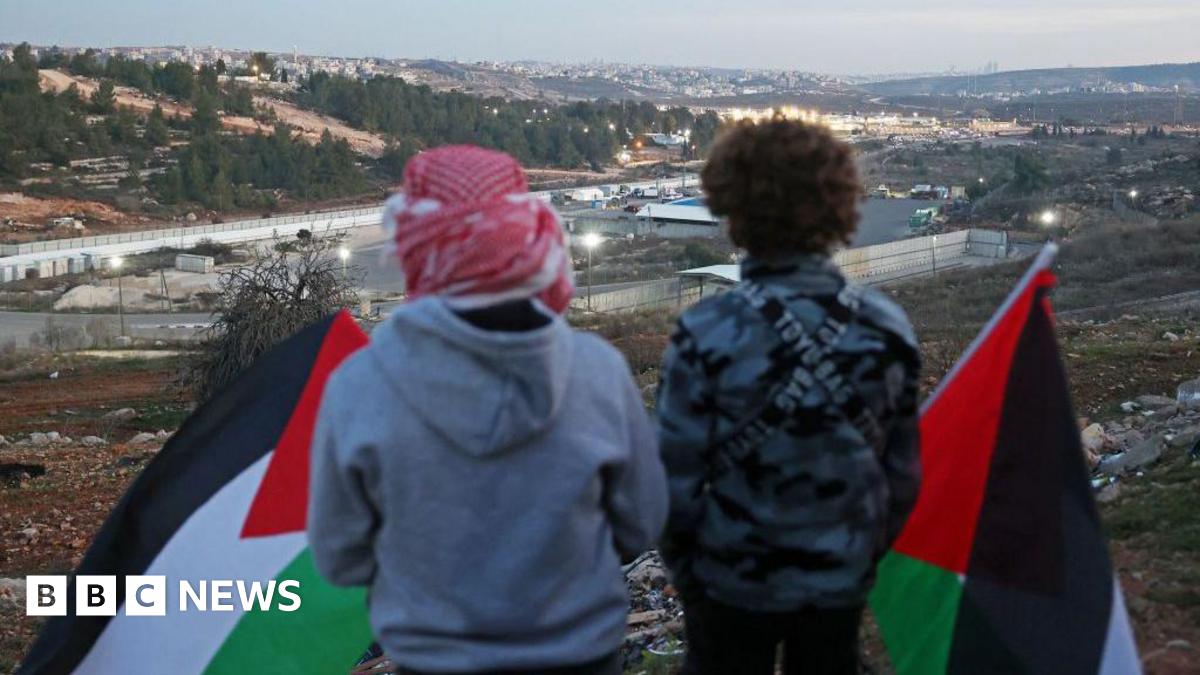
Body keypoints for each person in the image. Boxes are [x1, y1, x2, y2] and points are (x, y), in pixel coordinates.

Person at [309, 145, 668, 675]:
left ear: (412, 244)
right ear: (529, 236)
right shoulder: (597, 371)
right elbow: (641, 524)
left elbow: (340, 556)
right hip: (580, 655)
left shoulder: (359, 386)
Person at [656, 120, 922, 675]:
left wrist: (693, 575)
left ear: (732, 207)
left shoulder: (706, 330)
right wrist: (859, 557)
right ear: (842, 205)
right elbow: (901, 477)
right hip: (839, 580)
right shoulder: (887, 326)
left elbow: (674, 486)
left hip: (730, 582)